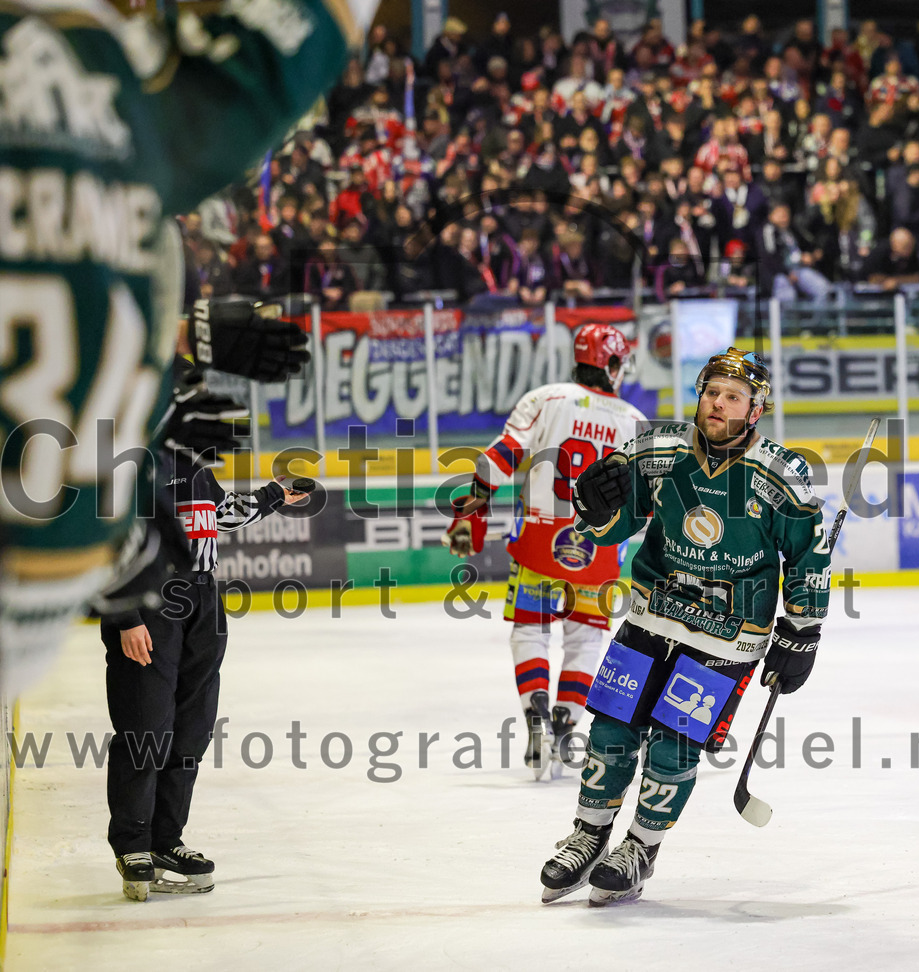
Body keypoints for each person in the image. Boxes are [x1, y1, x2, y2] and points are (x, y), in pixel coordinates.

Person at [0, 0, 379, 697]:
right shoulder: (114, 77)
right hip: (65, 577)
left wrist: (183, 352)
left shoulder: (107, 71)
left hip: (74, 573)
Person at [539, 348, 831, 905]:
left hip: (730, 631)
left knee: (674, 743)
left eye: (734, 397)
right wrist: (592, 509)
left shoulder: (782, 475)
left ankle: (640, 848)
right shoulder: (655, 449)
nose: (718, 404)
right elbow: (605, 530)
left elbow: (809, 561)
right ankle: (588, 834)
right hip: (654, 610)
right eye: (712, 392)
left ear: (755, 410)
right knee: (611, 729)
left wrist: (802, 632)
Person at [100, 365, 308, 901]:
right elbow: (106, 539)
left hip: (202, 600)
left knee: (190, 729)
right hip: (148, 603)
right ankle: (133, 844)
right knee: (146, 726)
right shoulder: (125, 460)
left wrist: (272, 495)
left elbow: (219, 517)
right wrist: (124, 617)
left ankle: (167, 837)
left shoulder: (189, 464)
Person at [445, 325, 648, 780]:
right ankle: (564, 723)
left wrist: (470, 507)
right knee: (585, 639)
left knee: (530, 632)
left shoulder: (545, 398)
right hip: (599, 549)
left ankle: (535, 712)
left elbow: (500, 457)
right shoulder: (635, 421)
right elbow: (646, 504)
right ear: (611, 364)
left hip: (539, 541)